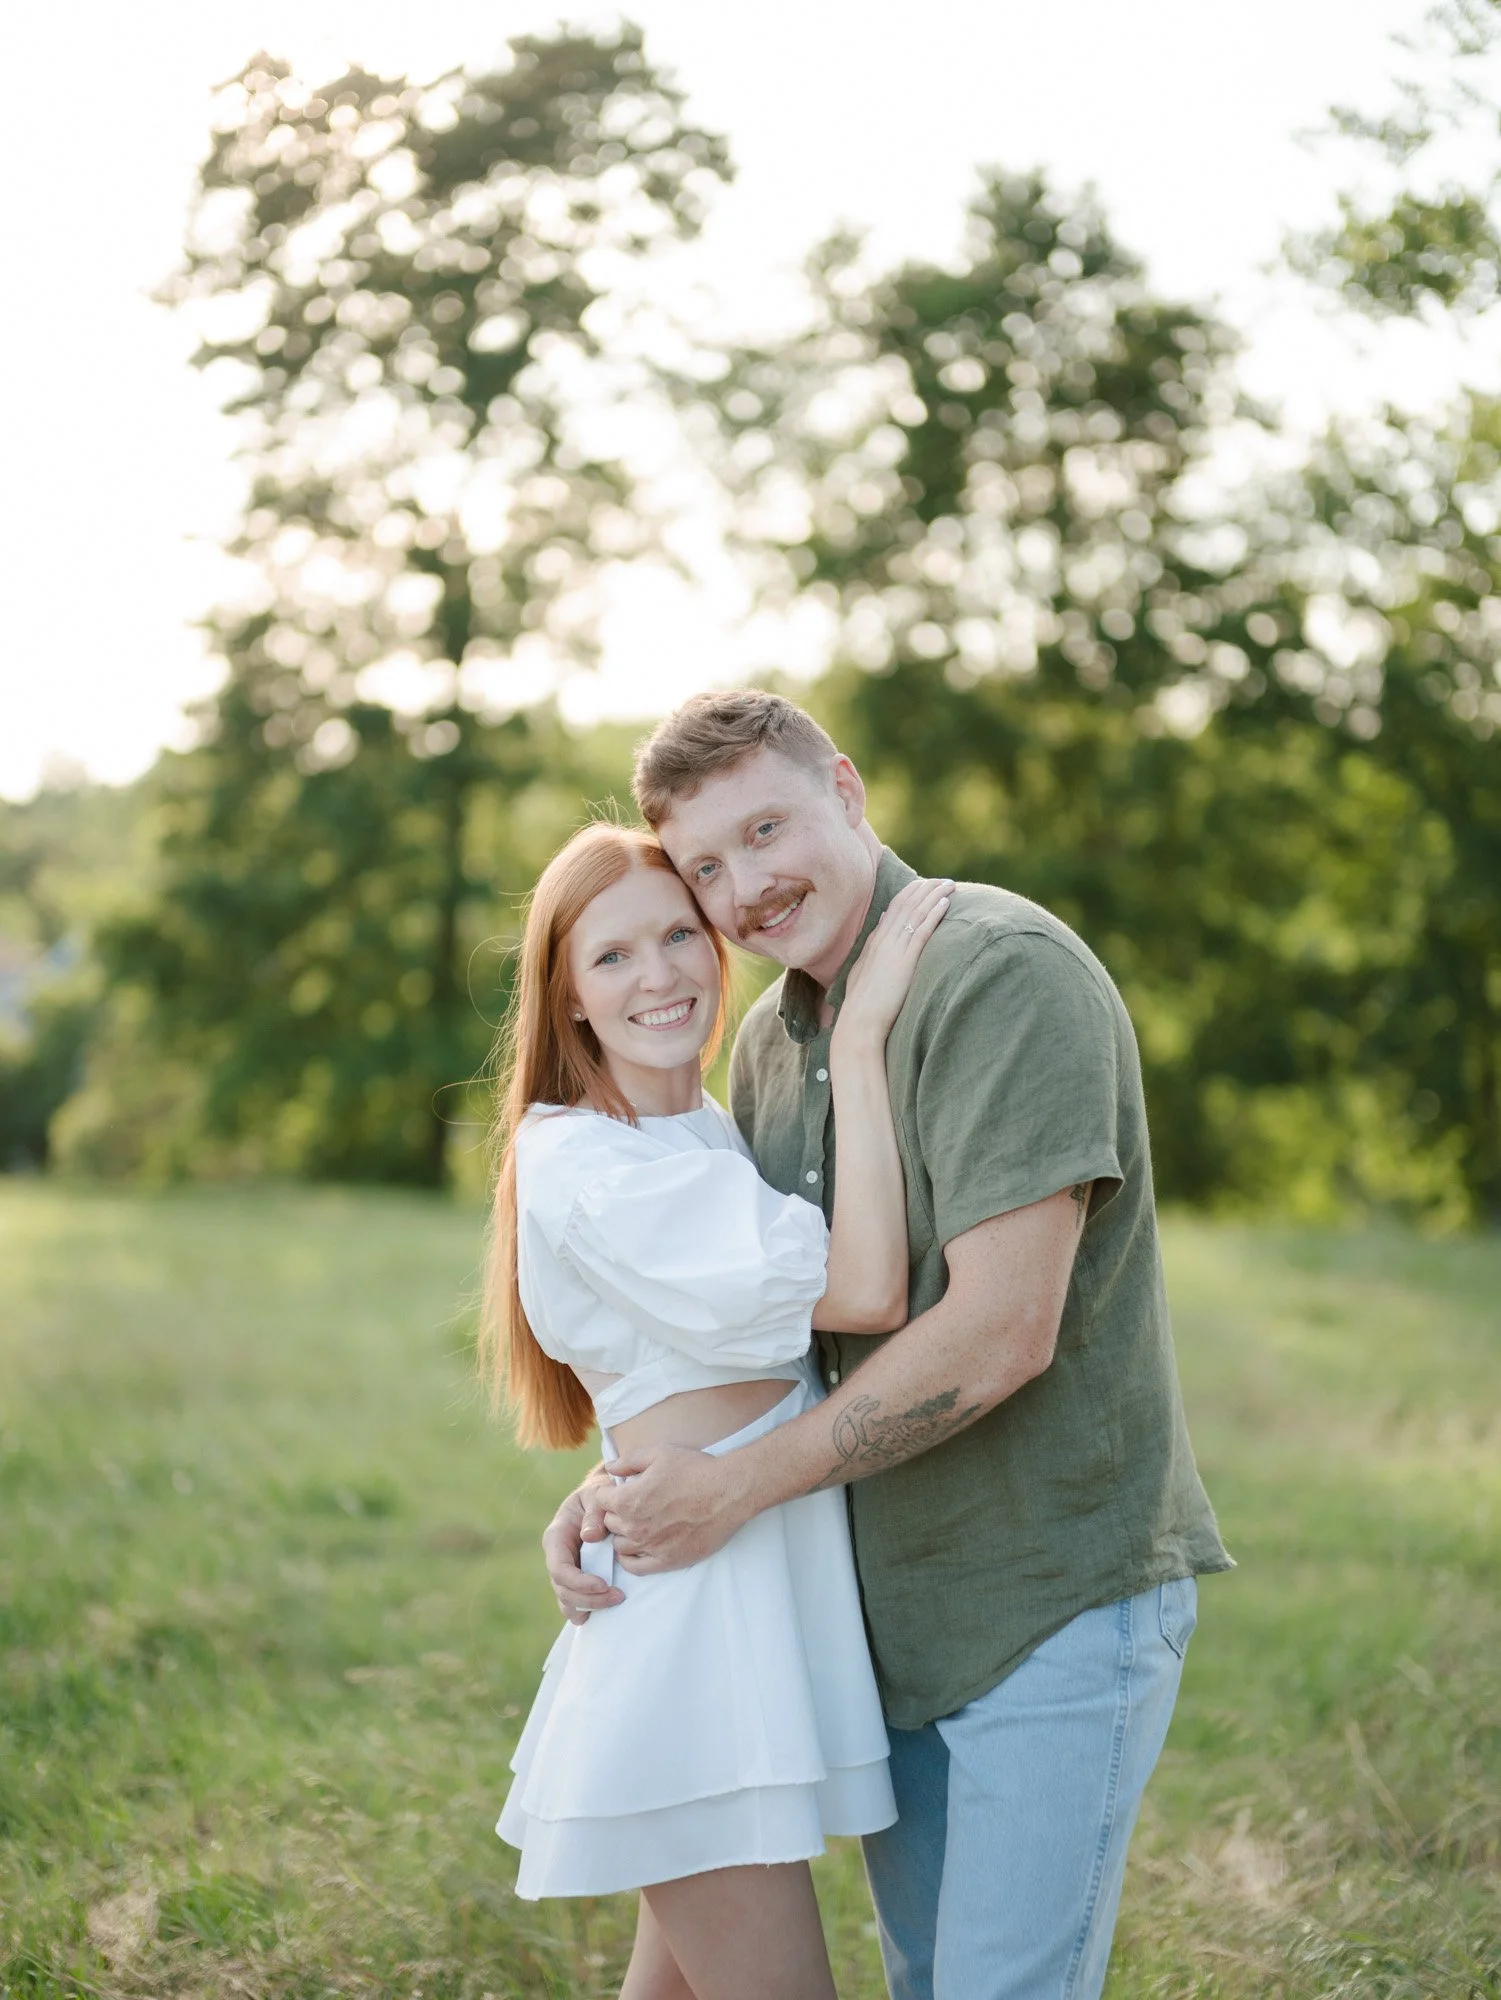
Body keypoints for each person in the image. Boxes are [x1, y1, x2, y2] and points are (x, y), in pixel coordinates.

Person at [543, 692, 1234, 2000]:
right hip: (882, 1620)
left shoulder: (999, 975)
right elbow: (758, 1341)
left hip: (1048, 1596)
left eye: (766, 828)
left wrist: (733, 1486)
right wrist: (621, 1484)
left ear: (846, 793)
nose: (745, 886)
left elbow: (999, 1332)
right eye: (706, 866)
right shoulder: (765, 1042)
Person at [480, 818, 953, 2000]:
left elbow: (698, 1376)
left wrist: (600, 1479)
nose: (660, 976)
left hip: (742, 1598)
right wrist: (860, 1043)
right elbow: (864, 1288)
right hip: (692, 1636)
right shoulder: (585, 1158)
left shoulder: (700, 1130)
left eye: (677, 936)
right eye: (612, 958)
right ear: (569, 998)